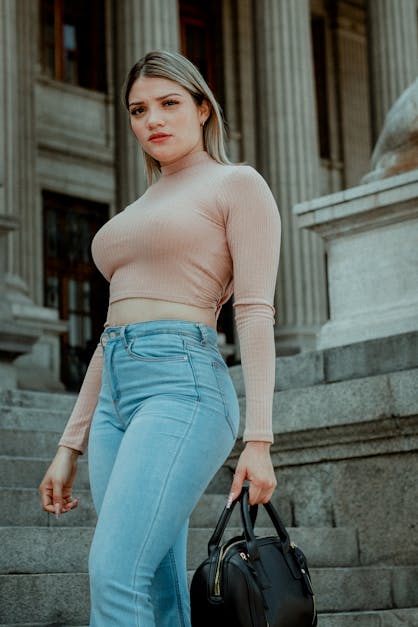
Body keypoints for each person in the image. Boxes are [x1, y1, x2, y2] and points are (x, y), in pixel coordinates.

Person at [39, 50, 281, 627]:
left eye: (169, 103)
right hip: (115, 399)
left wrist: (260, 439)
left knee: (115, 573)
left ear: (202, 109)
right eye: (138, 109)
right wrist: (67, 446)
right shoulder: (140, 206)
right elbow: (109, 334)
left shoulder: (235, 184)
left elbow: (253, 311)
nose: (153, 119)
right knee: (154, 584)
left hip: (184, 386)